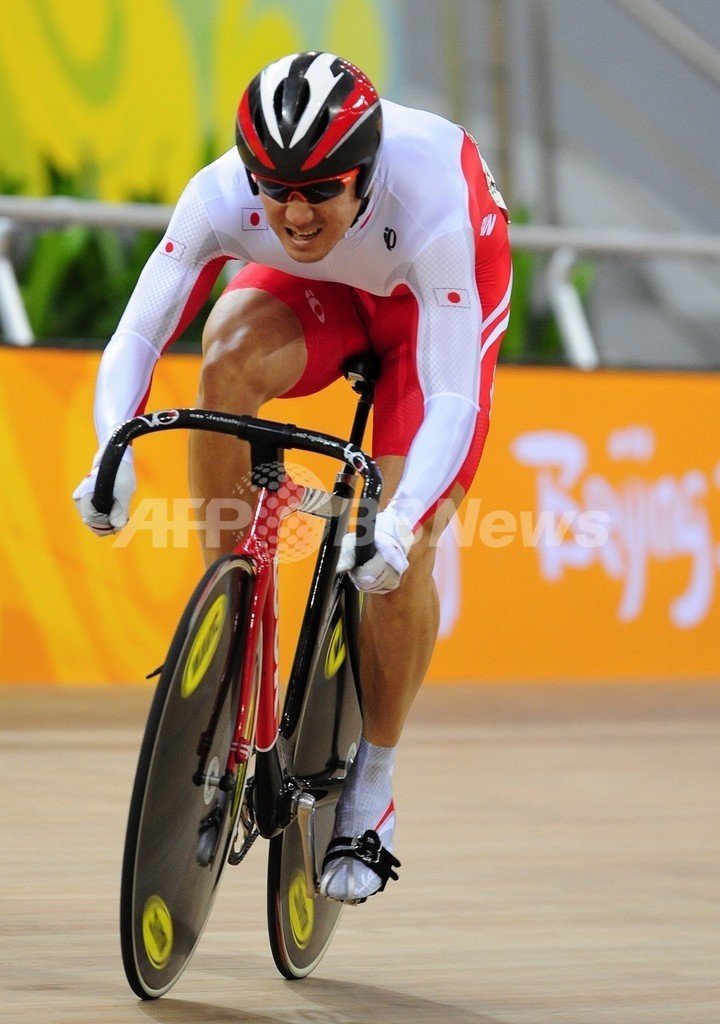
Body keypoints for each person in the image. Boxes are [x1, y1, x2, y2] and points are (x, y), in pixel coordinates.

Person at [73, 51, 512, 904]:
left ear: (368, 172)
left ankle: (373, 788)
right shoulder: (224, 195)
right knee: (225, 355)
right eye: (274, 188)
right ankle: (236, 611)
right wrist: (107, 448)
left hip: (428, 309)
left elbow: (454, 397)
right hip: (325, 291)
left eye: (319, 189)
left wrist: (404, 515)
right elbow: (138, 334)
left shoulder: (432, 204)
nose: (293, 210)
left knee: (396, 542)